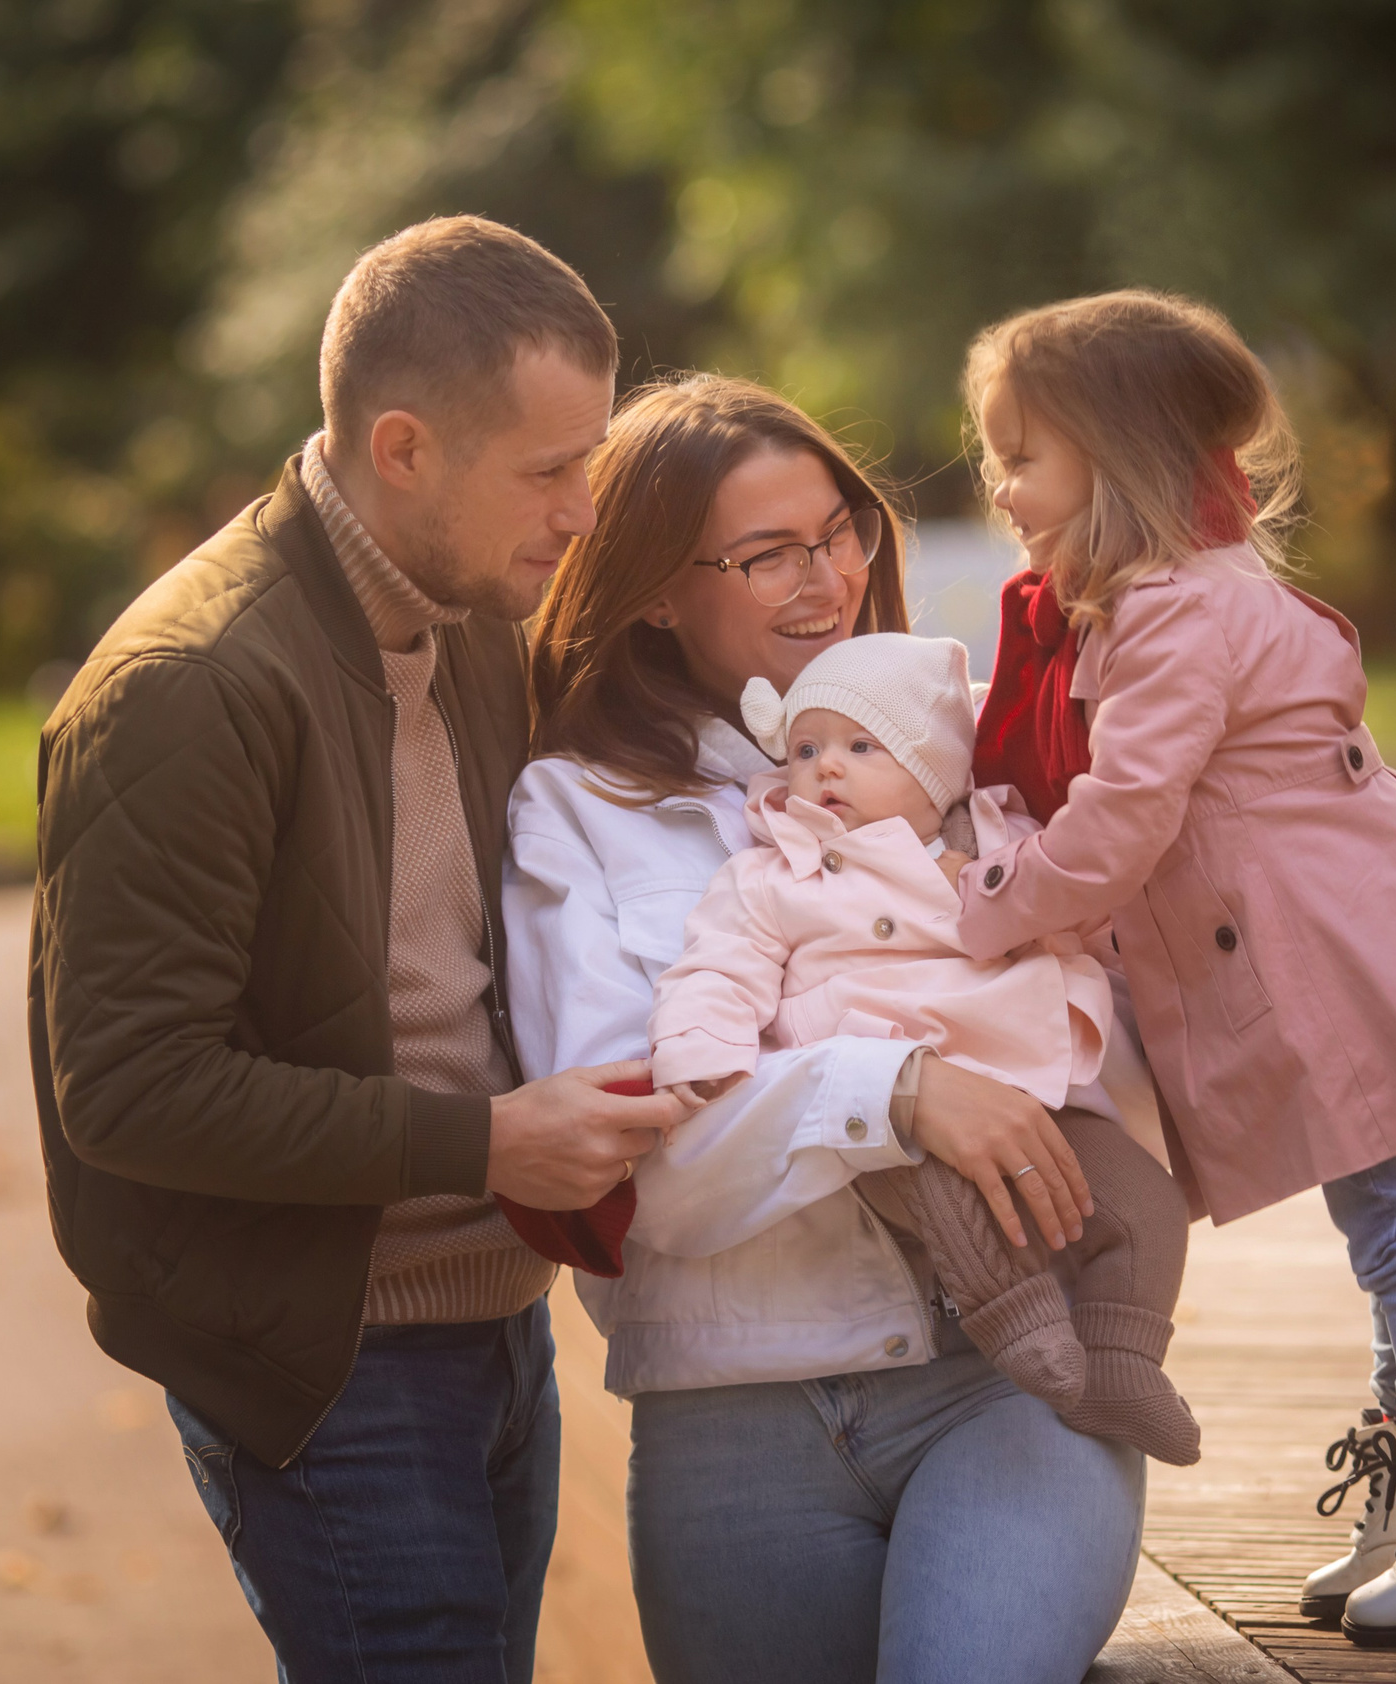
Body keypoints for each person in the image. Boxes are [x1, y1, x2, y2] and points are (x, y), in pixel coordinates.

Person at [28, 216, 684, 1683]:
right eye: (548, 471)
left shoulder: (458, 611)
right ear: (403, 449)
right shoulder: (189, 687)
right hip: (331, 1359)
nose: (582, 512)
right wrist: (487, 1143)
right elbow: (131, 1090)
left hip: (493, 1329)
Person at [505, 372, 1153, 1684]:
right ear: (651, 589)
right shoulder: (577, 811)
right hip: (731, 1420)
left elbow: (1100, 1068)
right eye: (766, 555)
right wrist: (895, 1091)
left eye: (839, 531)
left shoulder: (981, 770)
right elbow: (640, 1172)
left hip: (1007, 1373)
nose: (828, 577)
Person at [947, 289, 1396, 1648]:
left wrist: (986, 909)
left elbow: (1118, 825)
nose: (1000, 484)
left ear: (1117, 463)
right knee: (1390, 1224)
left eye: (1023, 453)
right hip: (1349, 941)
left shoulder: (1174, 619)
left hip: (1344, 958)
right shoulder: (1160, 605)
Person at [647, 631, 1199, 1464]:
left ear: (934, 768)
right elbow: (717, 967)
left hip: (1031, 1092)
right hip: (893, 1118)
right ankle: (1026, 1334)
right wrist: (700, 1047)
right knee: (953, 1202)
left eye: (861, 746)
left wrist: (1073, 939)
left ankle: (1123, 1365)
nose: (826, 768)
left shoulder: (998, 847)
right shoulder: (775, 875)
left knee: (1147, 1206)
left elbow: (1082, 907)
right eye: (806, 749)